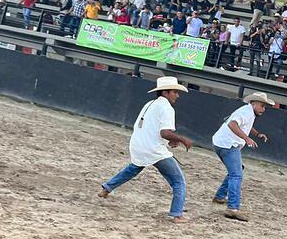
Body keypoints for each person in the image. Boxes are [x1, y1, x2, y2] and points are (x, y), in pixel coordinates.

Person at [98, 77, 192, 223]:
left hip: (138, 145)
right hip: (153, 150)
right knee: (178, 181)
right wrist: (182, 139)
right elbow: (164, 132)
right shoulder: (167, 108)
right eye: (175, 92)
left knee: (133, 168)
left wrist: (170, 140)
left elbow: (152, 129)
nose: (177, 95)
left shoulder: (150, 104)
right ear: (165, 93)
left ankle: (107, 188)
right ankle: (177, 214)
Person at [211, 92, 274, 221]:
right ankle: (232, 208)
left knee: (236, 170)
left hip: (221, 143)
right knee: (236, 174)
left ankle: (220, 196)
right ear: (254, 103)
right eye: (262, 106)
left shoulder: (247, 111)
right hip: (228, 145)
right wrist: (247, 139)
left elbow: (244, 125)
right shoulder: (246, 112)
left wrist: (257, 134)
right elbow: (232, 124)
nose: (263, 109)